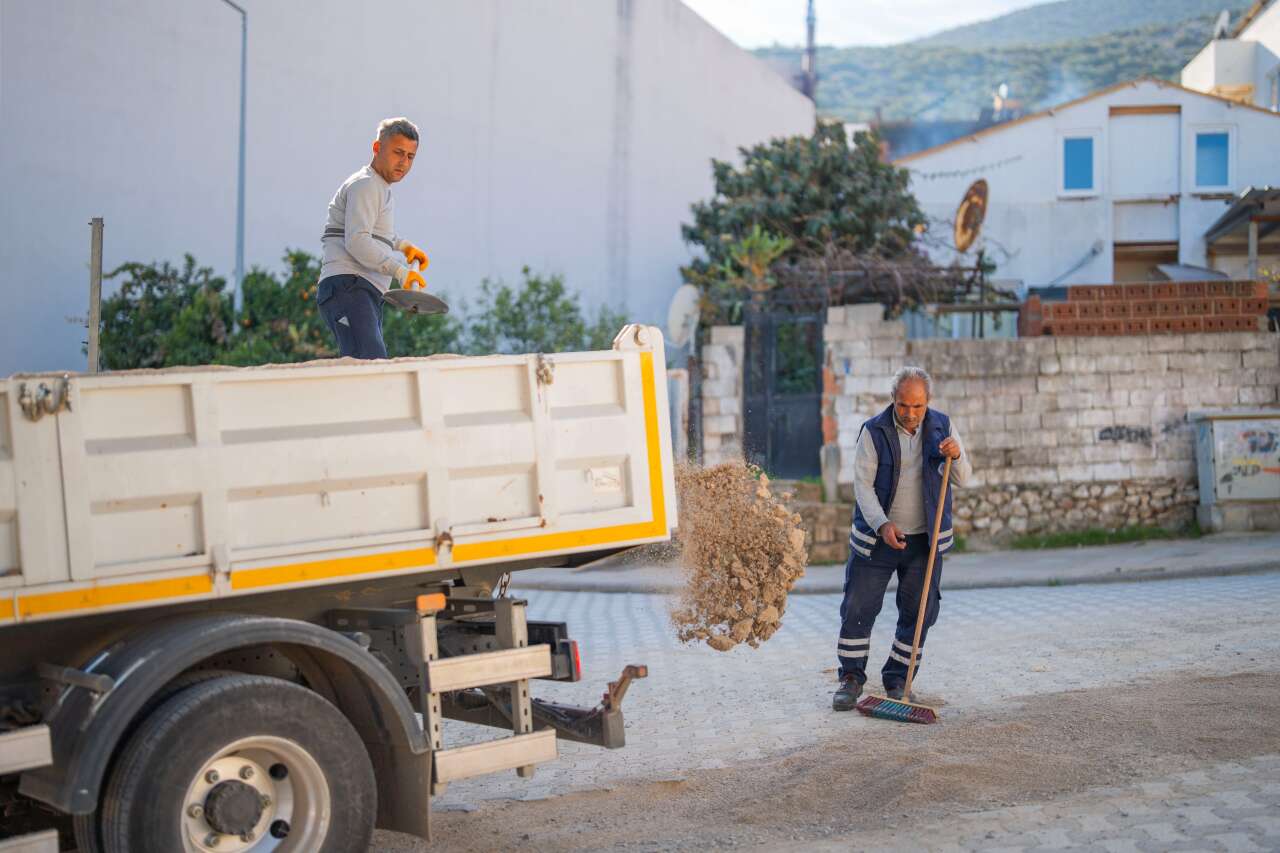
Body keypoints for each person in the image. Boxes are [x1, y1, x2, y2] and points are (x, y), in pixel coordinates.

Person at [832, 366, 972, 711]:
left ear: (928, 402)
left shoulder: (943, 426)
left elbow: (963, 478)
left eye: (917, 406)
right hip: (877, 540)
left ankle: (898, 680)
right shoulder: (874, 431)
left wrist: (956, 455)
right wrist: (882, 525)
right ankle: (851, 679)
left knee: (920, 611)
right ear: (893, 399)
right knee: (858, 608)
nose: (910, 413)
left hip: (924, 542)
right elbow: (863, 488)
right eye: (903, 405)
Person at [317, 117, 429, 359]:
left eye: (410, 156)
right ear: (377, 148)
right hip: (349, 286)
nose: (404, 162)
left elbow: (374, 231)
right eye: (398, 152)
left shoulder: (377, 186)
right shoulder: (366, 185)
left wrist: (403, 246)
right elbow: (357, 240)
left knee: (369, 364)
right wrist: (400, 271)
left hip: (359, 290)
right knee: (370, 364)